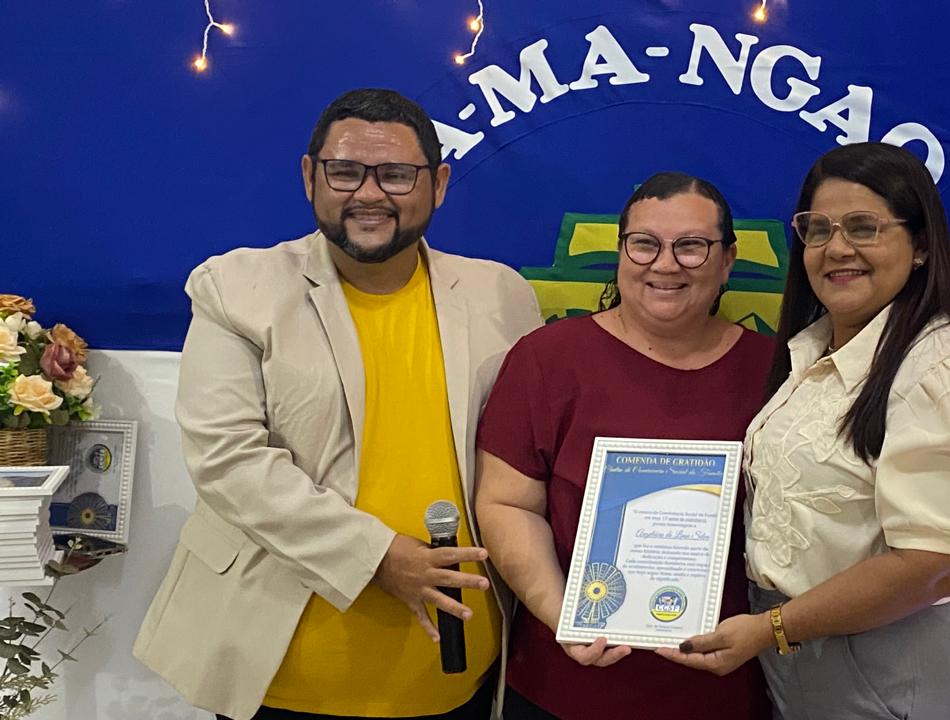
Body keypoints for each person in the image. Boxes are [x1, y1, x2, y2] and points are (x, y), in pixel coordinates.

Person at [133, 88, 543, 720]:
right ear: (310, 177)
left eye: (397, 174)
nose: (369, 194)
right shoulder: (238, 287)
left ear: (438, 184)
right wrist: (378, 558)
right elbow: (228, 460)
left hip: (457, 672)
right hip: (284, 672)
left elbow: (530, 455)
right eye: (345, 171)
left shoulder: (502, 295)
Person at [658, 142, 950, 720]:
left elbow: (935, 565)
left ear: (921, 246)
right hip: (805, 651)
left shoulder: (939, 372)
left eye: (864, 227)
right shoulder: (811, 351)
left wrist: (772, 628)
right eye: (818, 230)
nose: (837, 248)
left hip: (889, 662)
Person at [473, 172, 772, 720]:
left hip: (725, 690)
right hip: (565, 688)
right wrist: (563, 617)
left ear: (727, 260)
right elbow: (506, 502)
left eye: (691, 246)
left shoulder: (777, 371)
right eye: (645, 243)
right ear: (620, 252)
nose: (665, 264)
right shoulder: (547, 359)